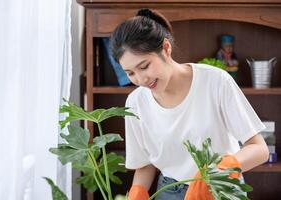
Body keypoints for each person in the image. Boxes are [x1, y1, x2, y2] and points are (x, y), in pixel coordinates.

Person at [109, 8, 269, 200]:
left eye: (144, 66)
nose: (141, 79)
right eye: (130, 73)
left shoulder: (215, 81)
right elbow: (145, 164)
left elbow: (259, 149)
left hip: (220, 187)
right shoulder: (135, 102)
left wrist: (219, 170)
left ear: (166, 49)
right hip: (169, 191)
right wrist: (137, 193)